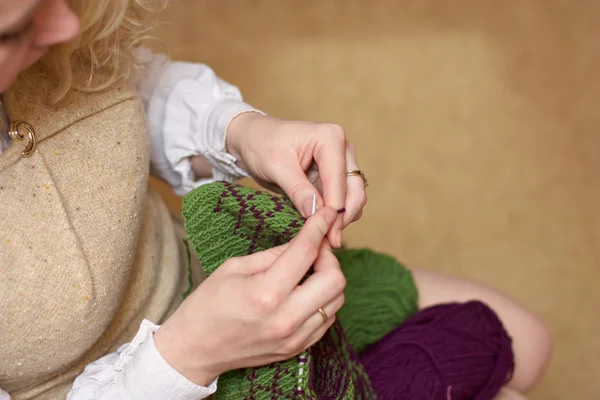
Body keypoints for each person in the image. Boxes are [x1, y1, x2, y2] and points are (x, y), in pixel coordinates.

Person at [0, 1, 551, 399]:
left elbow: (117, 83)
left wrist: (238, 133)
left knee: (527, 341)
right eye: (13, 31)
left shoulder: (56, 33)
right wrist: (189, 356)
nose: (66, 22)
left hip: (215, 272)